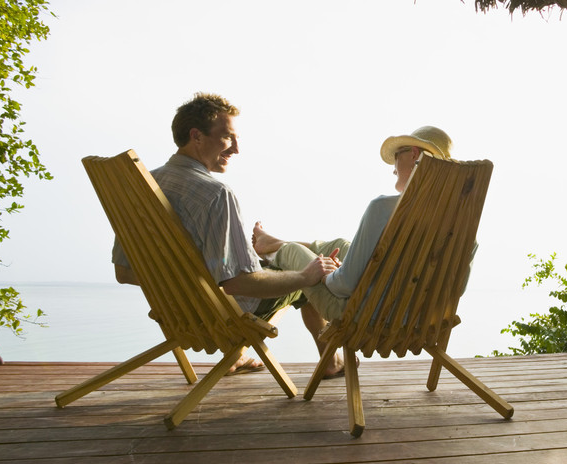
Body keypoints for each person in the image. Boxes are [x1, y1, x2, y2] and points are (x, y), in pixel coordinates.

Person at [112, 92, 345, 377]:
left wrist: (183, 288)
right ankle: (330, 363)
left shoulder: (143, 187)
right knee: (308, 276)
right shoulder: (215, 194)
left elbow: (124, 272)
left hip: (178, 313)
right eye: (227, 137)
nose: (235, 149)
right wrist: (306, 276)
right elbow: (238, 283)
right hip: (222, 314)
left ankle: (238, 353)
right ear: (196, 136)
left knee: (275, 263)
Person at [252, 126, 469, 331]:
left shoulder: (383, 209)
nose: (393, 169)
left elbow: (344, 287)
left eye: (396, 156)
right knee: (339, 246)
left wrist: (328, 274)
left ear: (414, 154)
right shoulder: (463, 227)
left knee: (292, 252)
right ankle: (273, 243)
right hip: (418, 320)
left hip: (365, 315)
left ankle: (272, 253)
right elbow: (456, 289)